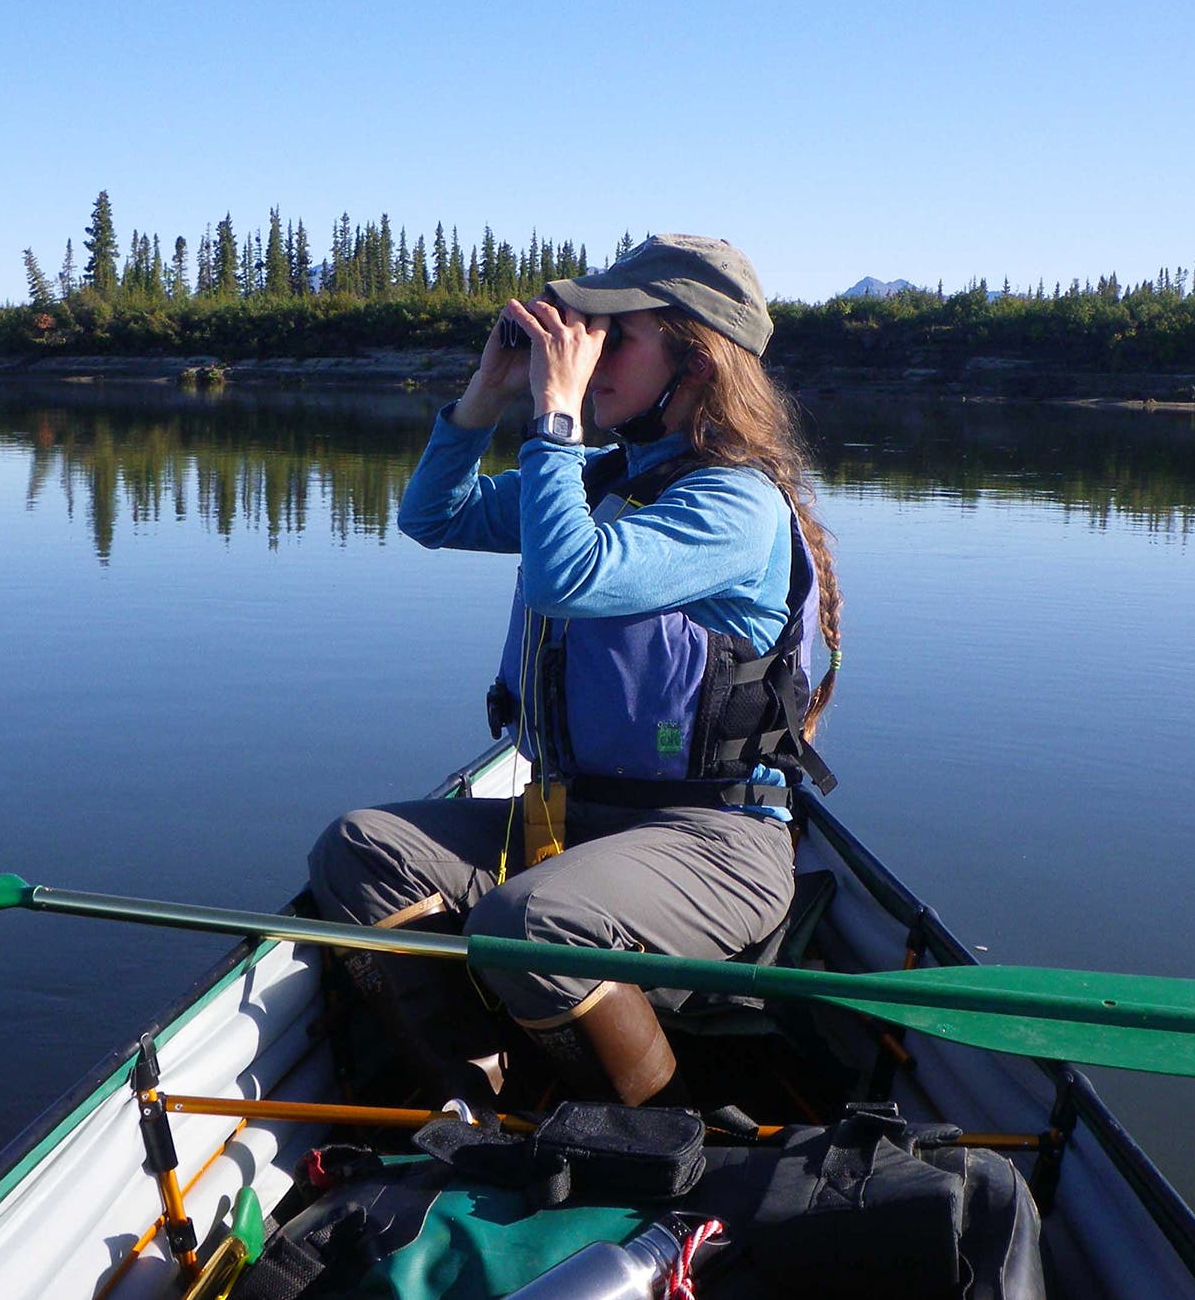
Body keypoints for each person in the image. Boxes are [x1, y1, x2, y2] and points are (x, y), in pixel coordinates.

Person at [307, 235, 841, 1114]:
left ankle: (665, 1120)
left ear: (696, 359)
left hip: (714, 841)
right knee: (359, 850)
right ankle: (473, 1104)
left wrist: (555, 415)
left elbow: (571, 576)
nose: (584, 350)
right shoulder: (604, 480)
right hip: (575, 819)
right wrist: (487, 397)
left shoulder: (733, 503)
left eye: (612, 334)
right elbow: (431, 516)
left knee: (530, 926)